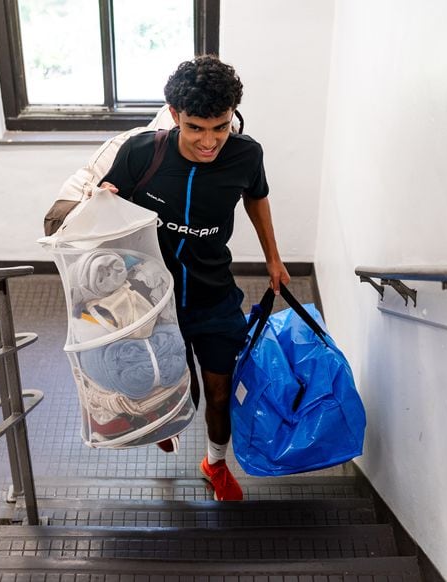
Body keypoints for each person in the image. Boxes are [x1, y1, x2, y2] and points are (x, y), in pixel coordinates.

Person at [99, 55, 290, 501]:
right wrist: (104, 199)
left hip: (213, 293)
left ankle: (216, 463)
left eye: (220, 127)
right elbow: (106, 206)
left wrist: (274, 259)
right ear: (174, 114)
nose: (210, 142)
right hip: (151, 296)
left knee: (219, 391)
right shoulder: (141, 153)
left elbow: (257, 199)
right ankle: (166, 419)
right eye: (196, 128)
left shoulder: (246, 154)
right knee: (167, 380)